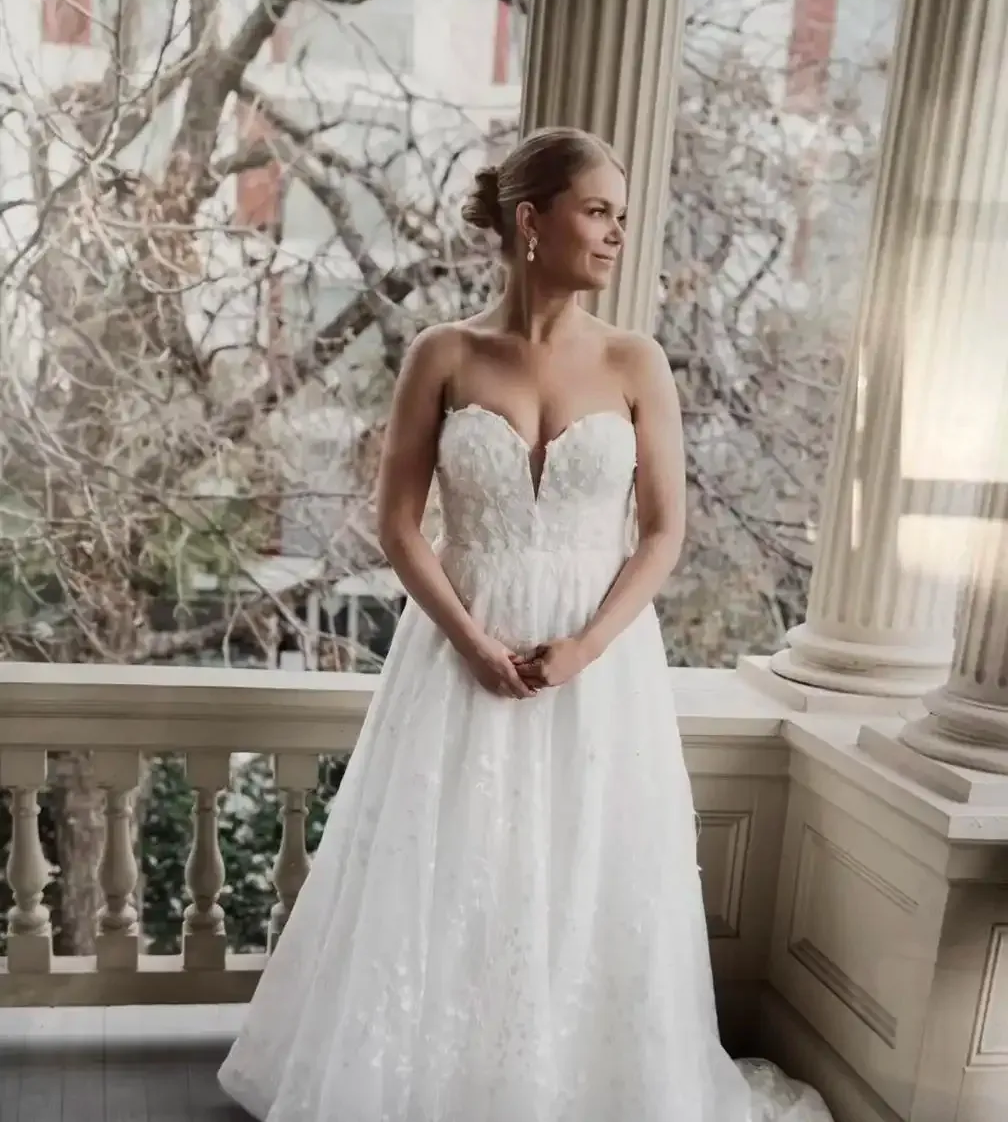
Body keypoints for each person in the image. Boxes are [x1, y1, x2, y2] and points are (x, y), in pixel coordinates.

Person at [218, 126, 832, 1122]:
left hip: (600, 668)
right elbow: (396, 520)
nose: (617, 234)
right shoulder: (443, 353)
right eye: (598, 210)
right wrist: (467, 636)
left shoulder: (638, 363)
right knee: (452, 867)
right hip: (462, 649)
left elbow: (666, 533)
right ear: (530, 219)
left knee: (585, 869)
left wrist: (588, 645)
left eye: (622, 217)